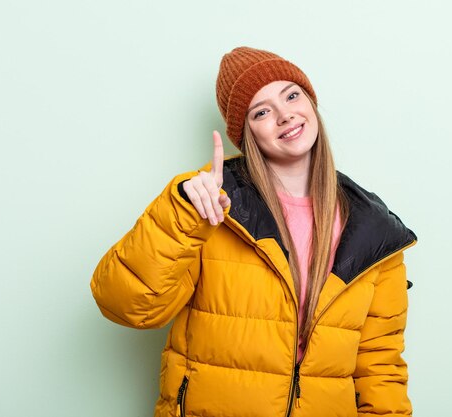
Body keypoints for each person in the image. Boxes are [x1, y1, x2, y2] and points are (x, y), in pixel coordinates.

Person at [90, 46, 418, 417]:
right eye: (261, 111)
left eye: (291, 95)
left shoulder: (373, 229)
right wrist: (181, 213)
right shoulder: (210, 205)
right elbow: (127, 306)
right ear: (245, 133)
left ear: (311, 103)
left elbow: (380, 364)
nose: (284, 115)